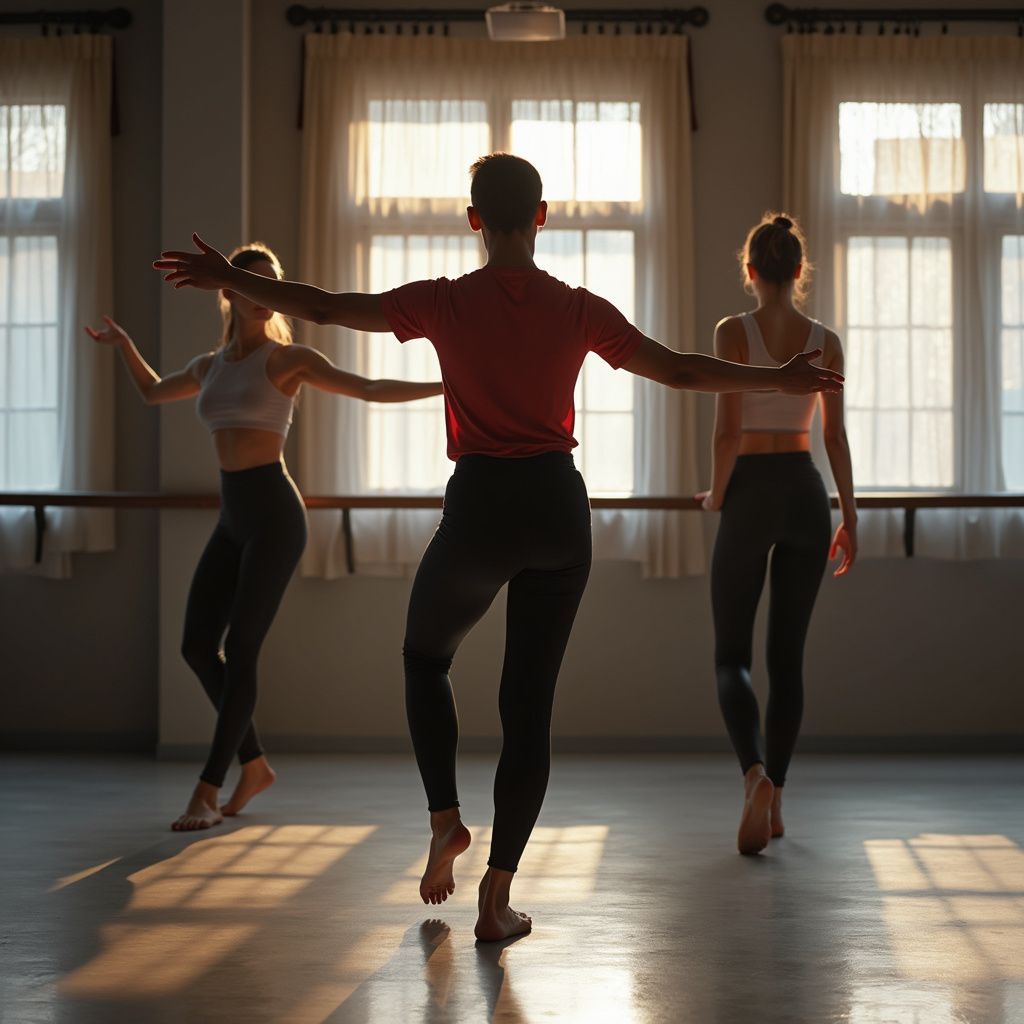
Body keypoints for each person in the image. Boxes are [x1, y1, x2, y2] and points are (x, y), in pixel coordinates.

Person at [153, 155, 843, 938]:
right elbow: (681, 372)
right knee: (529, 708)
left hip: (480, 505)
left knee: (424, 659)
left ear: (474, 219)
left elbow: (328, 306)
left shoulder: (445, 304)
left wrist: (233, 280)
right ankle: (497, 895)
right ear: (541, 216)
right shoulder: (578, 307)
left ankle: (446, 818)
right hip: (556, 507)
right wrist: (781, 382)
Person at [87, 242, 442, 832]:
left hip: (276, 514)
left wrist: (445, 387)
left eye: (273, 282)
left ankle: (207, 789)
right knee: (198, 647)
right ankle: (254, 765)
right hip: (232, 516)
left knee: (244, 651)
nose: (265, 293)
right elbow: (153, 393)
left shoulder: (288, 359)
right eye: (252, 283)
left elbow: (371, 389)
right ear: (227, 291)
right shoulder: (210, 366)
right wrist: (124, 346)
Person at [697, 214, 857, 856]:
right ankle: (780, 800)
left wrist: (716, 493)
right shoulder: (828, 340)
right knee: (786, 660)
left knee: (731, 656)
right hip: (804, 491)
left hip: (752, 490)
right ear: (798, 271)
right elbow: (834, 437)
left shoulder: (733, 332)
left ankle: (755, 776)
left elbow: (728, 430)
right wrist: (850, 514)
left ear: (752, 271)